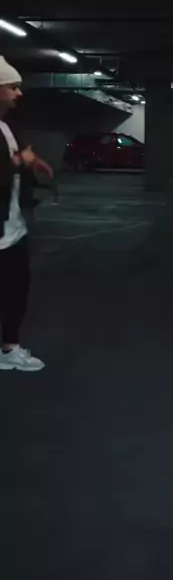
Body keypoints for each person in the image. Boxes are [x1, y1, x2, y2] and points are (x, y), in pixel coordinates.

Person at [0, 56, 53, 372]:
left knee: (17, 291)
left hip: (13, 229)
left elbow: (16, 160)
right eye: (12, 87)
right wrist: (21, 161)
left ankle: (9, 349)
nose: (19, 93)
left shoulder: (6, 127)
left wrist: (31, 162)